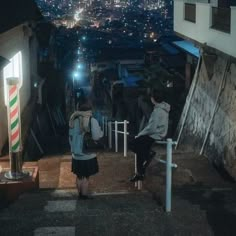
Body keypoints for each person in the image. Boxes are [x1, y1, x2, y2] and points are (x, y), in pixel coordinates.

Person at [129, 89, 170, 182]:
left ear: (152, 99)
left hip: (154, 135)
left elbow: (151, 128)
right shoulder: (164, 108)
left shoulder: (157, 111)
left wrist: (140, 134)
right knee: (139, 149)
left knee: (132, 143)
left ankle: (148, 155)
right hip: (159, 133)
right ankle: (140, 173)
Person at [69, 103, 103, 199]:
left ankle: (79, 194)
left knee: (79, 176)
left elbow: (70, 137)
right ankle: (84, 195)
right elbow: (96, 136)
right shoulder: (92, 121)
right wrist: (101, 133)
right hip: (88, 154)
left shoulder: (73, 120)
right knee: (86, 176)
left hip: (76, 154)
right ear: (89, 111)